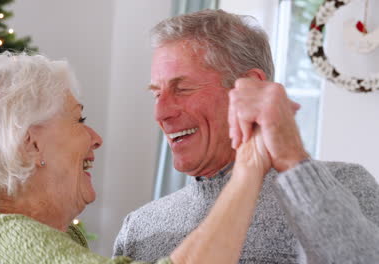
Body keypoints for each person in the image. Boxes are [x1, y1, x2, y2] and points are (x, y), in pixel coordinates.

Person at [0, 52, 280, 264]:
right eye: (78, 119)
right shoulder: (3, 244)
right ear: (30, 144)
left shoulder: (47, 239)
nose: (95, 139)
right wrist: (250, 166)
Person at [113, 9, 379, 263]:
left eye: (182, 88)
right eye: (156, 94)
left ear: (251, 87)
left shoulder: (344, 186)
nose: (161, 113)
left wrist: (294, 161)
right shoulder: (138, 228)